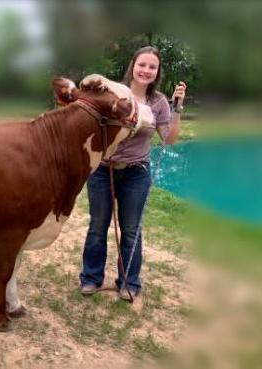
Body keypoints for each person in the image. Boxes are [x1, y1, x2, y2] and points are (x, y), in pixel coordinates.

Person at [79, 45, 187, 301]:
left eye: (152, 67)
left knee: (130, 230)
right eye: (142, 64)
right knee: (97, 226)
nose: (146, 70)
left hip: (136, 173)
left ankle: (129, 281)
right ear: (133, 66)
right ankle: (91, 278)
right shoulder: (114, 93)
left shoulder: (159, 102)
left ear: (157, 72)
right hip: (103, 171)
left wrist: (177, 109)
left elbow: (168, 140)